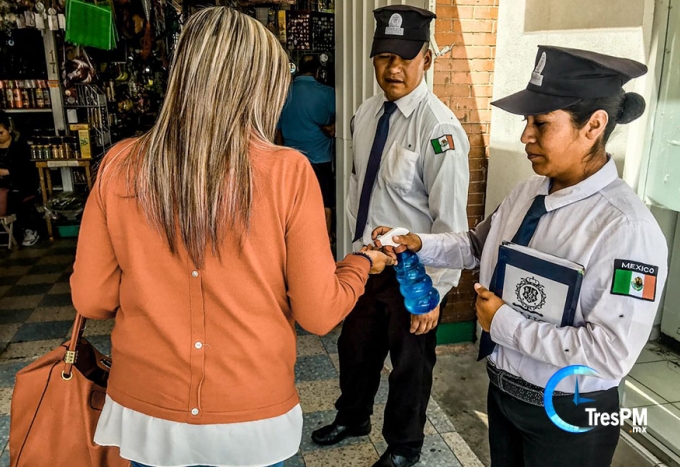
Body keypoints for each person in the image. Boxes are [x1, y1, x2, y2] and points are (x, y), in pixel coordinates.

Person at [70, 8, 394, 467]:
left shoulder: (120, 164)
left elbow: (92, 299)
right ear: (259, 84)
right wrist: (363, 261)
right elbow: (319, 313)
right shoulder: (287, 172)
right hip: (251, 415)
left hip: (147, 412)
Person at [374, 46, 669, 467]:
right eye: (527, 122)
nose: (525, 135)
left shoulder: (626, 230)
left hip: (569, 413)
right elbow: (477, 245)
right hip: (504, 394)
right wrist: (419, 242)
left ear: (594, 126)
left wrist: (505, 324)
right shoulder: (527, 192)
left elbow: (609, 353)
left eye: (541, 123)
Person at [311, 6, 469, 467]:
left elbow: (451, 223)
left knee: (410, 366)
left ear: (426, 59)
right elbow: (359, 190)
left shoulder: (439, 130)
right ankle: (353, 416)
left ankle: (404, 447)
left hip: (413, 275)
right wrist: (351, 256)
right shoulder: (365, 113)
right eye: (383, 57)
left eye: (404, 57)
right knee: (355, 348)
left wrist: (432, 294)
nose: (393, 68)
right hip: (366, 263)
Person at [276, 54, 336, 242]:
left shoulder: (283, 94)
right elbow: (338, 125)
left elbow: (277, 131)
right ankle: (325, 242)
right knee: (324, 202)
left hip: (290, 158)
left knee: (293, 204)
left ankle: (295, 240)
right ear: (319, 71)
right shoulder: (328, 93)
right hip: (320, 158)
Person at [0, 111, 40, 246]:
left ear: (9, 129)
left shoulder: (20, 145)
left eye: (1, 133)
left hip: (20, 184)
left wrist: (9, 172)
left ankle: (29, 230)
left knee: (17, 196)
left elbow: (27, 169)